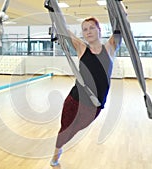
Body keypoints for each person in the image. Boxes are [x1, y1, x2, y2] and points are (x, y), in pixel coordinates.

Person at [50, 15, 123, 167]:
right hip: (74, 99)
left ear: (99, 30)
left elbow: (120, 27)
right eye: (84, 29)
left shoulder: (109, 48)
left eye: (91, 28)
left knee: (75, 130)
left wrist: (120, 9)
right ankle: (55, 156)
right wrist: (54, 12)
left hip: (94, 105)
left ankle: (58, 149)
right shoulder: (82, 48)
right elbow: (64, 29)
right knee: (64, 131)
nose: (88, 32)